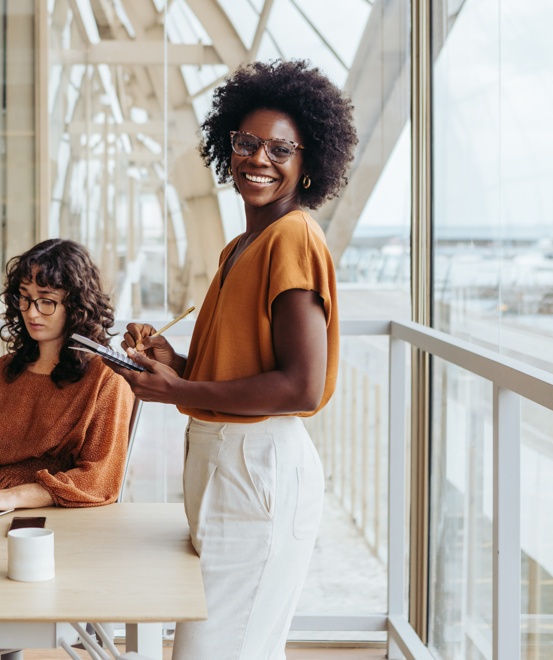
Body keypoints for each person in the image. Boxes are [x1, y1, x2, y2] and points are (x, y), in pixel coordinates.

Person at [108, 60, 358, 660]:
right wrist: (179, 363)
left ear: (308, 161)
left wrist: (177, 393)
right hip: (230, 466)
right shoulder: (241, 246)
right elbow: (241, 364)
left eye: (280, 148)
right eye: (247, 143)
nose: (259, 159)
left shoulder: (292, 238)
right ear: (229, 146)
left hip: (258, 469)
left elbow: (300, 386)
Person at [0, 239, 134, 516]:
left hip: (59, 517)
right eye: (25, 297)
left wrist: (13, 496)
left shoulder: (107, 380)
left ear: (77, 305)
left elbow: (99, 478)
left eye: (47, 301)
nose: (32, 312)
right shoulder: (3, 370)